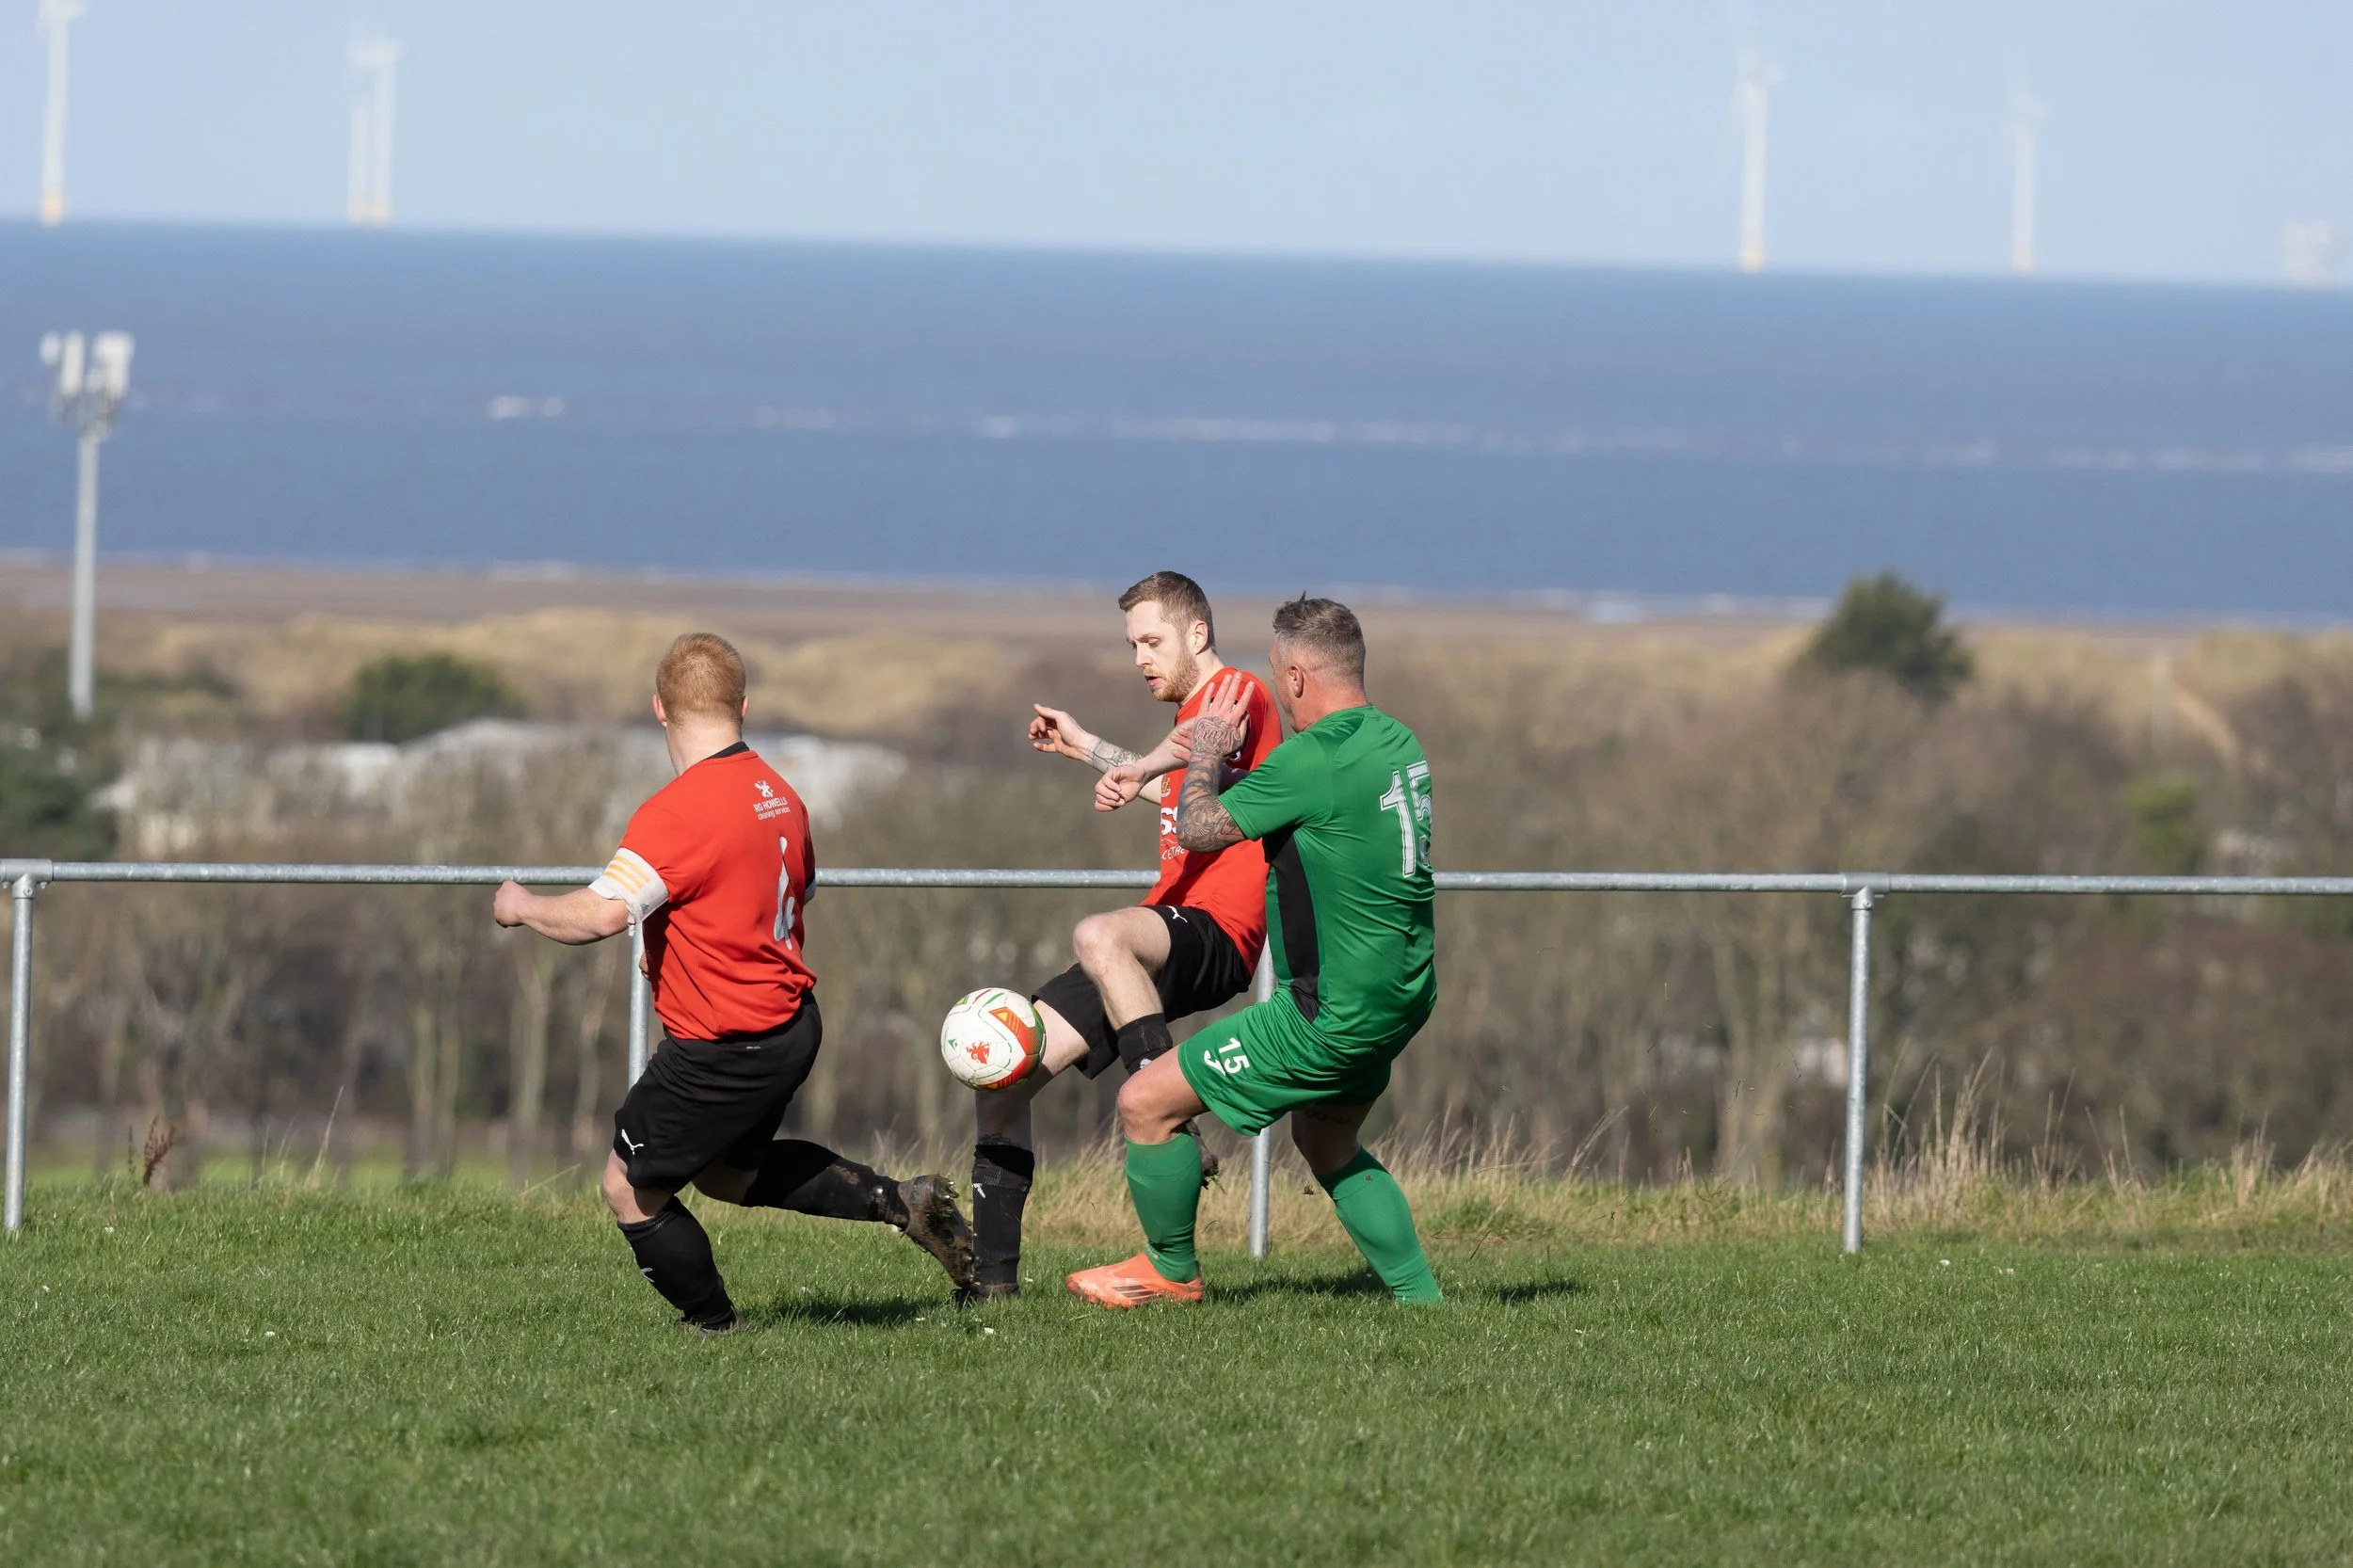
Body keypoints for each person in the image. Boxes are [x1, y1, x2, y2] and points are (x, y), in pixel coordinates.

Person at [492, 632, 973, 1335]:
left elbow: (597, 915)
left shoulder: (677, 813)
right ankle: (903, 1200)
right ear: (743, 705)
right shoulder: (780, 795)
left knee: (629, 1187)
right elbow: (785, 896)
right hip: (790, 1026)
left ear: (660, 708)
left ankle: (714, 1326)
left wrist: (522, 906)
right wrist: (679, 948)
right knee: (727, 1176)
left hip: (723, 1048)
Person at [1065, 595, 1444, 1308]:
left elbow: (1203, 825)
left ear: (1297, 677)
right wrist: (1108, 754)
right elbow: (1274, 796)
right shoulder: (1397, 743)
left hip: (1325, 1015)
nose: (1274, 688)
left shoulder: (1314, 758)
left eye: (1276, 675)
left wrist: (1207, 744)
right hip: (1400, 996)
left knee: (1146, 1104)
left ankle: (1170, 1273)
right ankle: (1424, 1305)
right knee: (1327, 1143)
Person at [967, 571, 1282, 1300]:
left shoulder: (1237, 693)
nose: (1140, 657)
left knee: (1099, 932)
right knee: (1005, 1071)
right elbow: (1168, 781)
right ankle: (990, 1289)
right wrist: (1086, 749)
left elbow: (1192, 744)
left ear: (1196, 634)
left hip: (1216, 931)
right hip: (1161, 933)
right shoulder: (1187, 736)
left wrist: (1137, 764)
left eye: (1151, 640)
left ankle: (1170, 1113)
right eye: (1131, 644)